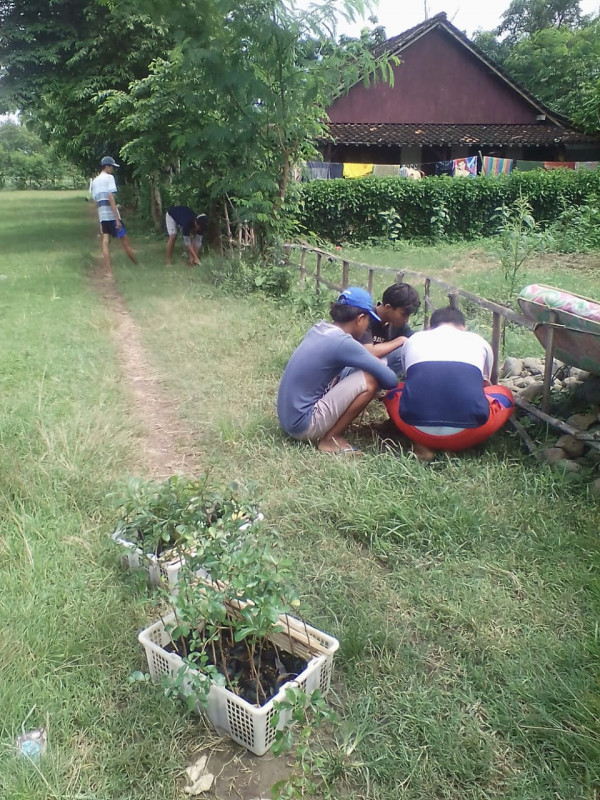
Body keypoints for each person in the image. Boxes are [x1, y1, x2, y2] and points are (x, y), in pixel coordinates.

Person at [277, 286, 399, 454]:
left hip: (288, 419)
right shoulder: (343, 343)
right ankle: (330, 440)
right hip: (303, 425)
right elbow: (390, 380)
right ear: (360, 318)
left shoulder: (319, 328)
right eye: (367, 321)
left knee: (355, 368)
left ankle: (328, 433)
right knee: (371, 378)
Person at [383, 306, 514, 461]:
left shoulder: (414, 340)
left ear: (430, 328)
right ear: (463, 327)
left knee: (394, 392)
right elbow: (485, 385)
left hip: (416, 429)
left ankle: (421, 445)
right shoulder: (479, 341)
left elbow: (409, 379)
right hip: (471, 431)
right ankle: (458, 447)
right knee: (504, 393)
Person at [360, 282, 420, 374]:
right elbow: (368, 352)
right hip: (354, 368)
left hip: (376, 369)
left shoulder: (399, 325)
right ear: (388, 307)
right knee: (401, 352)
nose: (406, 320)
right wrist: (400, 340)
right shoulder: (365, 317)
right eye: (403, 315)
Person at [90, 156, 138, 270]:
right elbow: (111, 197)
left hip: (103, 216)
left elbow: (96, 201)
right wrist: (117, 219)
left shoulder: (95, 181)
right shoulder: (109, 178)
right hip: (112, 215)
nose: (113, 170)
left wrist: (100, 221)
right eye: (112, 167)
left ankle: (108, 270)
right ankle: (137, 265)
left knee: (105, 242)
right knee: (125, 241)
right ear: (107, 167)